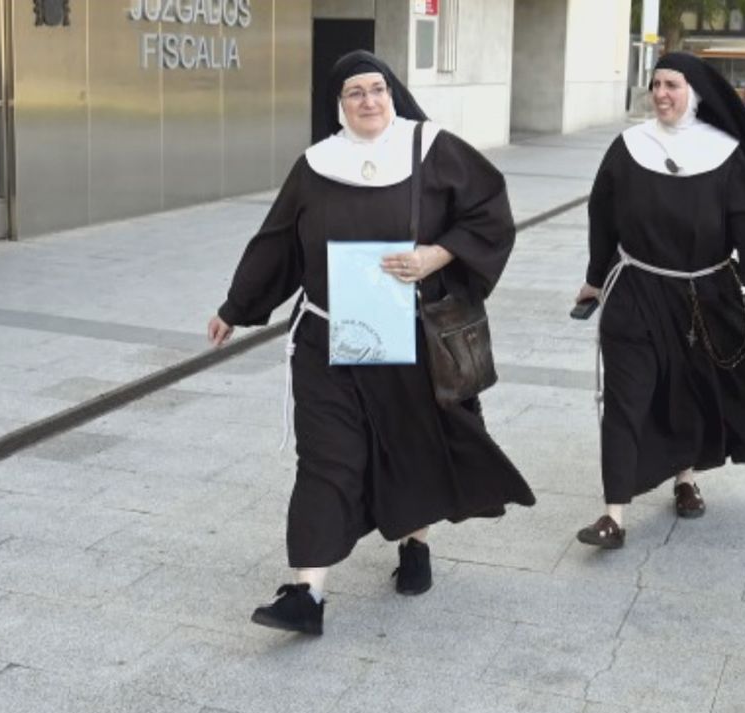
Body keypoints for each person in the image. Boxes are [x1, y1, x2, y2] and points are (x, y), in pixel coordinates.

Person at [207, 51, 534, 635]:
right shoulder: (316, 165)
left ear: (393, 93)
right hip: (327, 337)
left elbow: (489, 213)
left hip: (408, 333)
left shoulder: (431, 148)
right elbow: (278, 242)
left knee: (414, 444)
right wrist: (236, 307)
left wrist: (435, 256)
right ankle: (307, 593)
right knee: (325, 458)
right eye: (354, 92)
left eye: (377, 89)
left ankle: (415, 545)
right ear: (339, 104)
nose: (368, 101)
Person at [574, 52, 745, 549]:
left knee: (688, 391)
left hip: (705, 296)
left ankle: (686, 479)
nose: (660, 94)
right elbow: (602, 217)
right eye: (655, 84)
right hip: (636, 290)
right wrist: (596, 278)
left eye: (672, 85)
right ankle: (613, 514)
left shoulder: (725, 154)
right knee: (625, 398)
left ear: (695, 93)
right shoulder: (628, 147)